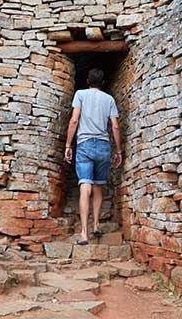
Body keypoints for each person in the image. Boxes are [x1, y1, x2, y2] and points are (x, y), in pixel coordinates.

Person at [64, 68, 122, 245]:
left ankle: (84, 233)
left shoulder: (80, 94)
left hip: (85, 145)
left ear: (87, 81)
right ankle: (96, 225)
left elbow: (74, 120)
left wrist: (68, 144)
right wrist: (119, 151)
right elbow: (115, 127)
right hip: (103, 147)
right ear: (103, 83)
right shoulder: (109, 99)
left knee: (85, 185)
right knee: (98, 186)